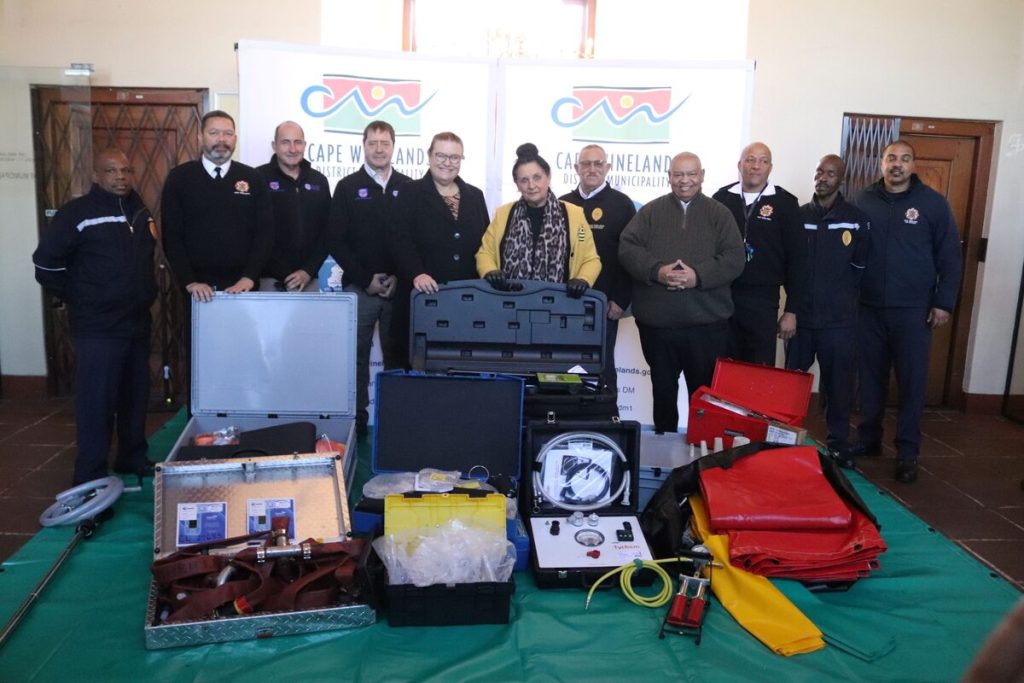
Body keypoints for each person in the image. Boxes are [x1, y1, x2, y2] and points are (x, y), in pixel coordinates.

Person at [32, 149, 157, 485]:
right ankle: (90, 475)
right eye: (112, 171)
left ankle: (131, 457)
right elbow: (46, 264)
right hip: (98, 329)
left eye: (126, 170)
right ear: (96, 176)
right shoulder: (78, 213)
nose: (121, 177)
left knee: (134, 396)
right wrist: (80, 297)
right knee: (97, 404)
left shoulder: (139, 210)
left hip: (136, 324)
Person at [851, 140, 962, 483]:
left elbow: (950, 257)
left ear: (913, 165)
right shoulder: (862, 200)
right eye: (891, 158)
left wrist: (943, 302)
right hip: (868, 309)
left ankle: (908, 452)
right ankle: (870, 440)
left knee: (912, 383)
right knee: (870, 380)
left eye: (904, 159)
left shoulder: (933, 204)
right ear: (881, 163)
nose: (896, 164)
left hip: (913, 312)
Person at [619, 152, 745, 433]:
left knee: (702, 398)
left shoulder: (719, 214)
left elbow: (735, 257)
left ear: (702, 175)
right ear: (669, 177)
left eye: (690, 174)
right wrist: (657, 271)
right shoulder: (650, 212)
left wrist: (697, 276)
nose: (684, 181)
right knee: (663, 393)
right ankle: (663, 455)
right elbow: (627, 248)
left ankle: (700, 457)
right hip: (658, 327)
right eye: (678, 174)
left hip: (706, 327)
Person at [326, 120, 412, 438]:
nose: (379, 148)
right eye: (373, 143)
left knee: (397, 355)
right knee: (356, 357)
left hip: (397, 288)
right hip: (360, 288)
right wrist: (366, 280)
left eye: (385, 143)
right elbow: (335, 239)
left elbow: (413, 239)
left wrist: (399, 278)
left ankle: (395, 416)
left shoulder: (409, 186)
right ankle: (357, 417)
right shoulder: (348, 187)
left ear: (393, 146)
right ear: (364, 145)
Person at [785, 155, 870, 464]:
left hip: (840, 322)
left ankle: (837, 443)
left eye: (830, 173)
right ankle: (786, 438)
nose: (823, 177)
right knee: (792, 383)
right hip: (801, 319)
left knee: (838, 385)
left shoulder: (856, 219)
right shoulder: (797, 216)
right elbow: (789, 266)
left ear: (841, 179)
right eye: (819, 170)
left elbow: (860, 268)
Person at [389, 131, 489, 367]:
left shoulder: (475, 196)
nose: (447, 162)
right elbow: (397, 239)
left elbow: (486, 243)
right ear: (429, 156)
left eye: (454, 157)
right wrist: (417, 273)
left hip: (464, 300)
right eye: (441, 155)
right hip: (422, 296)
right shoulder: (408, 191)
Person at [161, 110, 273, 302]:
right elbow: (172, 236)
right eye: (214, 133)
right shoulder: (179, 178)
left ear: (235, 139)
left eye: (228, 134)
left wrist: (249, 277)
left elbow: (265, 233)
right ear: (200, 137)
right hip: (197, 290)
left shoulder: (253, 178)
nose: (221, 140)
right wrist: (190, 282)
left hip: (244, 287)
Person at [712, 142, 803, 365]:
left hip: (763, 301)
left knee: (757, 369)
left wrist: (791, 311)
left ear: (770, 167)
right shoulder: (721, 199)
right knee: (722, 368)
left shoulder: (785, 203)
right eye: (750, 159)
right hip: (723, 297)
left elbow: (798, 260)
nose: (755, 166)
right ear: (739, 165)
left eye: (763, 161)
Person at [560, 144, 637, 397]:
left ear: (607, 167)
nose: (592, 169)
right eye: (586, 164)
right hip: (566, 303)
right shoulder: (562, 203)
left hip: (605, 303)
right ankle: (565, 421)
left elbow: (629, 257)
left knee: (602, 366)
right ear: (576, 168)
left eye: (597, 163)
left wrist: (620, 299)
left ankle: (606, 420)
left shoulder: (622, 205)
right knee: (566, 365)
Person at [476, 143, 600, 295]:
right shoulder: (503, 214)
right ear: (517, 184)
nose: (531, 185)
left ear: (548, 177)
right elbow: (485, 253)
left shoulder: (574, 215)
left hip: (556, 304)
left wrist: (583, 279)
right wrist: (490, 270)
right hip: (510, 303)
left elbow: (590, 258)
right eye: (524, 180)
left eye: (537, 177)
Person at [257, 120, 331, 292]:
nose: (292, 149)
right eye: (285, 142)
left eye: (298, 142)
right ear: (274, 145)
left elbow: (328, 231)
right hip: (269, 280)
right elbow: (253, 232)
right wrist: (282, 273)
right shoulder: (258, 178)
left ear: (304, 145)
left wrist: (308, 271)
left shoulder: (319, 181)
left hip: (308, 280)